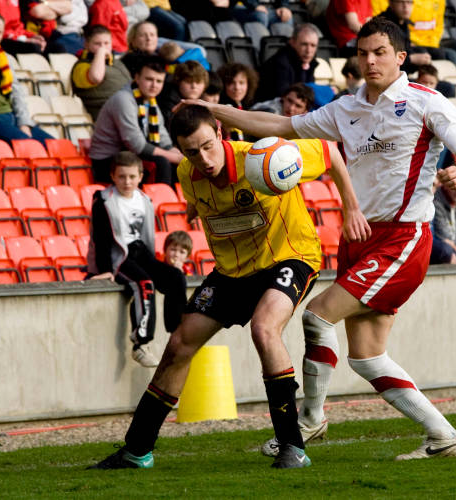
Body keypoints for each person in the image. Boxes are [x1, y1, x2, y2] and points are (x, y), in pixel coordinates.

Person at [187, 17, 456, 461]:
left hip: (403, 239)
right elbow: (281, 125)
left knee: (317, 316)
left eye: (380, 52)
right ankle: (444, 437)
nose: (370, 61)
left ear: (400, 57)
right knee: (366, 357)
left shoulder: (427, 102)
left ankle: (309, 419)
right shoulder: (346, 108)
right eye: (363, 53)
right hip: (360, 238)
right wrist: (215, 112)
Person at [87, 103, 370, 470]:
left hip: (289, 256)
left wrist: (351, 208)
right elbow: (200, 199)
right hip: (232, 271)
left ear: (220, 133)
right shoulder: (188, 173)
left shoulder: (264, 157)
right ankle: (137, 451)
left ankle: (292, 446)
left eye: (208, 146)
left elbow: (329, 151)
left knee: (264, 328)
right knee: (179, 344)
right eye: (192, 151)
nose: (203, 159)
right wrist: (195, 208)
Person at [87, 150, 188, 367]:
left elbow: (147, 236)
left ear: (140, 176)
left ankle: (177, 334)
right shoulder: (104, 200)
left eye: (132, 177)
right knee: (145, 284)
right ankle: (141, 344)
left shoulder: (144, 200)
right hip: (118, 257)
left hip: (140, 253)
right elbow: (101, 239)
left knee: (175, 277)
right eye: (122, 176)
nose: (127, 181)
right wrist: (104, 269)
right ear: (113, 176)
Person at [89, 56, 184, 186]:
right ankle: (161, 197)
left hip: (129, 155)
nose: (154, 85)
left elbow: (162, 136)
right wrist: (174, 157)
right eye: (149, 79)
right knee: (162, 163)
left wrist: (175, 152)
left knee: (179, 163)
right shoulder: (123, 99)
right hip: (105, 161)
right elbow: (136, 144)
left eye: (159, 81)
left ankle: (175, 197)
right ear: (137, 77)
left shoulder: (150, 101)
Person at [0, 11, 52, 145]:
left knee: (54, 145)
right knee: (29, 147)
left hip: (10, 116)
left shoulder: (6, 58)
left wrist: (24, 123)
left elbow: (17, 93)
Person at [71, 24, 132, 121]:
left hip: (128, 111)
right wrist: (101, 53)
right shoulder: (81, 66)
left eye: (106, 43)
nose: (103, 47)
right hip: (106, 117)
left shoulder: (117, 63)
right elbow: (96, 77)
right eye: (97, 44)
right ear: (86, 44)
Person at [256, 23, 319, 102]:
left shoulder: (310, 63)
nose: (308, 51)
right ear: (292, 42)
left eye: (313, 45)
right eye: (304, 44)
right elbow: (285, 98)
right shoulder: (280, 63)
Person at [158, 60, 209, 128]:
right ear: (178, 81)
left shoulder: (202, 103)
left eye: (198, 82)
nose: (194, 86)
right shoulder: (167, 102)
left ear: (205, 85)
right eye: (188, 81)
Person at [217, 62, 259, 140]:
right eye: (231, 83)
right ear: (223, 85)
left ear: (249, 84)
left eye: (241, 83)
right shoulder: (223, 107)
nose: (237, 87)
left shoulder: (247, 106)